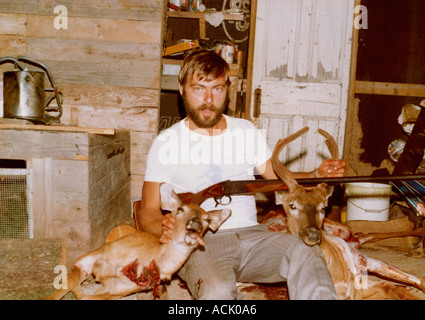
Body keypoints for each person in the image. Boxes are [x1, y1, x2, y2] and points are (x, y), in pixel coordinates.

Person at [137, 49, 346, 300]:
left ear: (228, 90)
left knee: (307, 251)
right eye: (198, 88)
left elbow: (279, 177)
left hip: (255, 238)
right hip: (202, 244)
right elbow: (147, 210)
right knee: (217, 292)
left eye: (217, 89)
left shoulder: (245, 131)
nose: (208, 99)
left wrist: (316, 173)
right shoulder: (166, 142)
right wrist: (163, 226)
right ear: (181, 89)